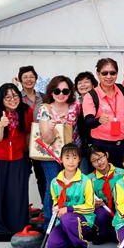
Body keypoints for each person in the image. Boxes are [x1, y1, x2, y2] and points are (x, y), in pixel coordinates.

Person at [0, 83, 33, 236]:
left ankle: (16, 226)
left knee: (17, 192)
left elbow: (29, 132)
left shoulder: (25, 111)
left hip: (18, 155)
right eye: (7, 97)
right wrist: (1, 125)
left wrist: (29, 152)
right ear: (1, 99)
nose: (12, 99)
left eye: (15, 95)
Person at [37, 76, 81, 227]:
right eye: (57, 90)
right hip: (52, 156)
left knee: (73, 187)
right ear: (51, 91)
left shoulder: (76, 106)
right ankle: (49, 224)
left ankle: (70, 222)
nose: (61, 94)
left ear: (70, 92)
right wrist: (49, 127)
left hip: (72, 155)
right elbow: (47, 140)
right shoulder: (45, 109)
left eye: (65, 91)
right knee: (53, 185)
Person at [47, 143, 95, 248]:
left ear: (79, 160)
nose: (71, 161)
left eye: (74, 157)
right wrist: (56, 207)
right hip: (63, 221)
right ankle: (72, 240)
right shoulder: (54, 182)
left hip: (83, 220)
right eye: (67, 158)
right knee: (53, 243)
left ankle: (80, 244)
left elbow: (91, 206)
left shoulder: (86, 181)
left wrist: (68, 209)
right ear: (61, 160)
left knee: (68, 217)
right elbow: (55, 200)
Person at [82, 58, 124, 168]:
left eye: (112, 73)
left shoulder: (122, 89)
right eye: (104, 73)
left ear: (117, 74)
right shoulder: (91, 96)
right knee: (102, 182)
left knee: (122, 181)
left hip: (122, 145)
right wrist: (98, 120)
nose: (109, 76)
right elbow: (88, 122)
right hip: (101, 146)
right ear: (98, 74)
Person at [14, 65, 45, 207]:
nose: (28, 80)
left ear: (36, 79)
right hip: (22, 144)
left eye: (31, 76)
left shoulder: (43, 98)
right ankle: (20, 211)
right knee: (20, 178)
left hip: (40, 145)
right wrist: (13, 88)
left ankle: (47, 209)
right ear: (20, 80)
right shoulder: (15, 98)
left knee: (41, 177)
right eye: (25, 77)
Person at [87, 146, 124, 245]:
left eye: (101, 157)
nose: (99, 162)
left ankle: (114, 231)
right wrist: (93, 203)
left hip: (119, 210)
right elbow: (85, 199)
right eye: (94, 161)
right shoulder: (89, 179)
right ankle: (101, 233)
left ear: (107, 155)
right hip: (102, 210)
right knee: (100, 214)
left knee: (114, 236)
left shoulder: (122, 173)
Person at [74, 71, 98, 168]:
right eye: (80, 83)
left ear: (93, 84)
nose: (83, 85)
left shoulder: (98, 101)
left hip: (95, 142)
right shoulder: (74, 103)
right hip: (80, 144)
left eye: (86, 82)